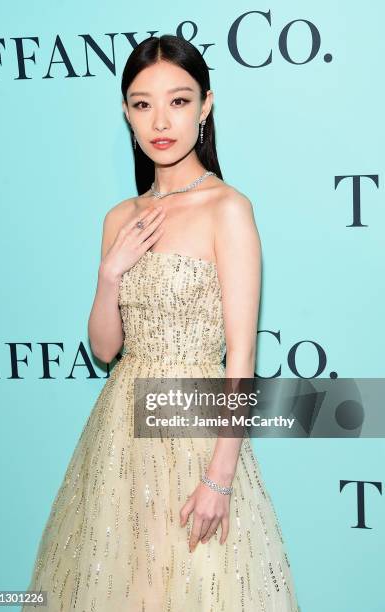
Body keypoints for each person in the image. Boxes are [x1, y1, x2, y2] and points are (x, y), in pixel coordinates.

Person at [22, 34, 300, 611]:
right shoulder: (120, 217)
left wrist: (219, 478)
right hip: (120, 433)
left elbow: (241, 361)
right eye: (143, 104)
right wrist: (109, 275)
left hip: (197, 433)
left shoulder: (229, 209)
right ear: (126, 113)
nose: (161, 120)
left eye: (178, 100)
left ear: (206, 105)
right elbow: (104, 349)